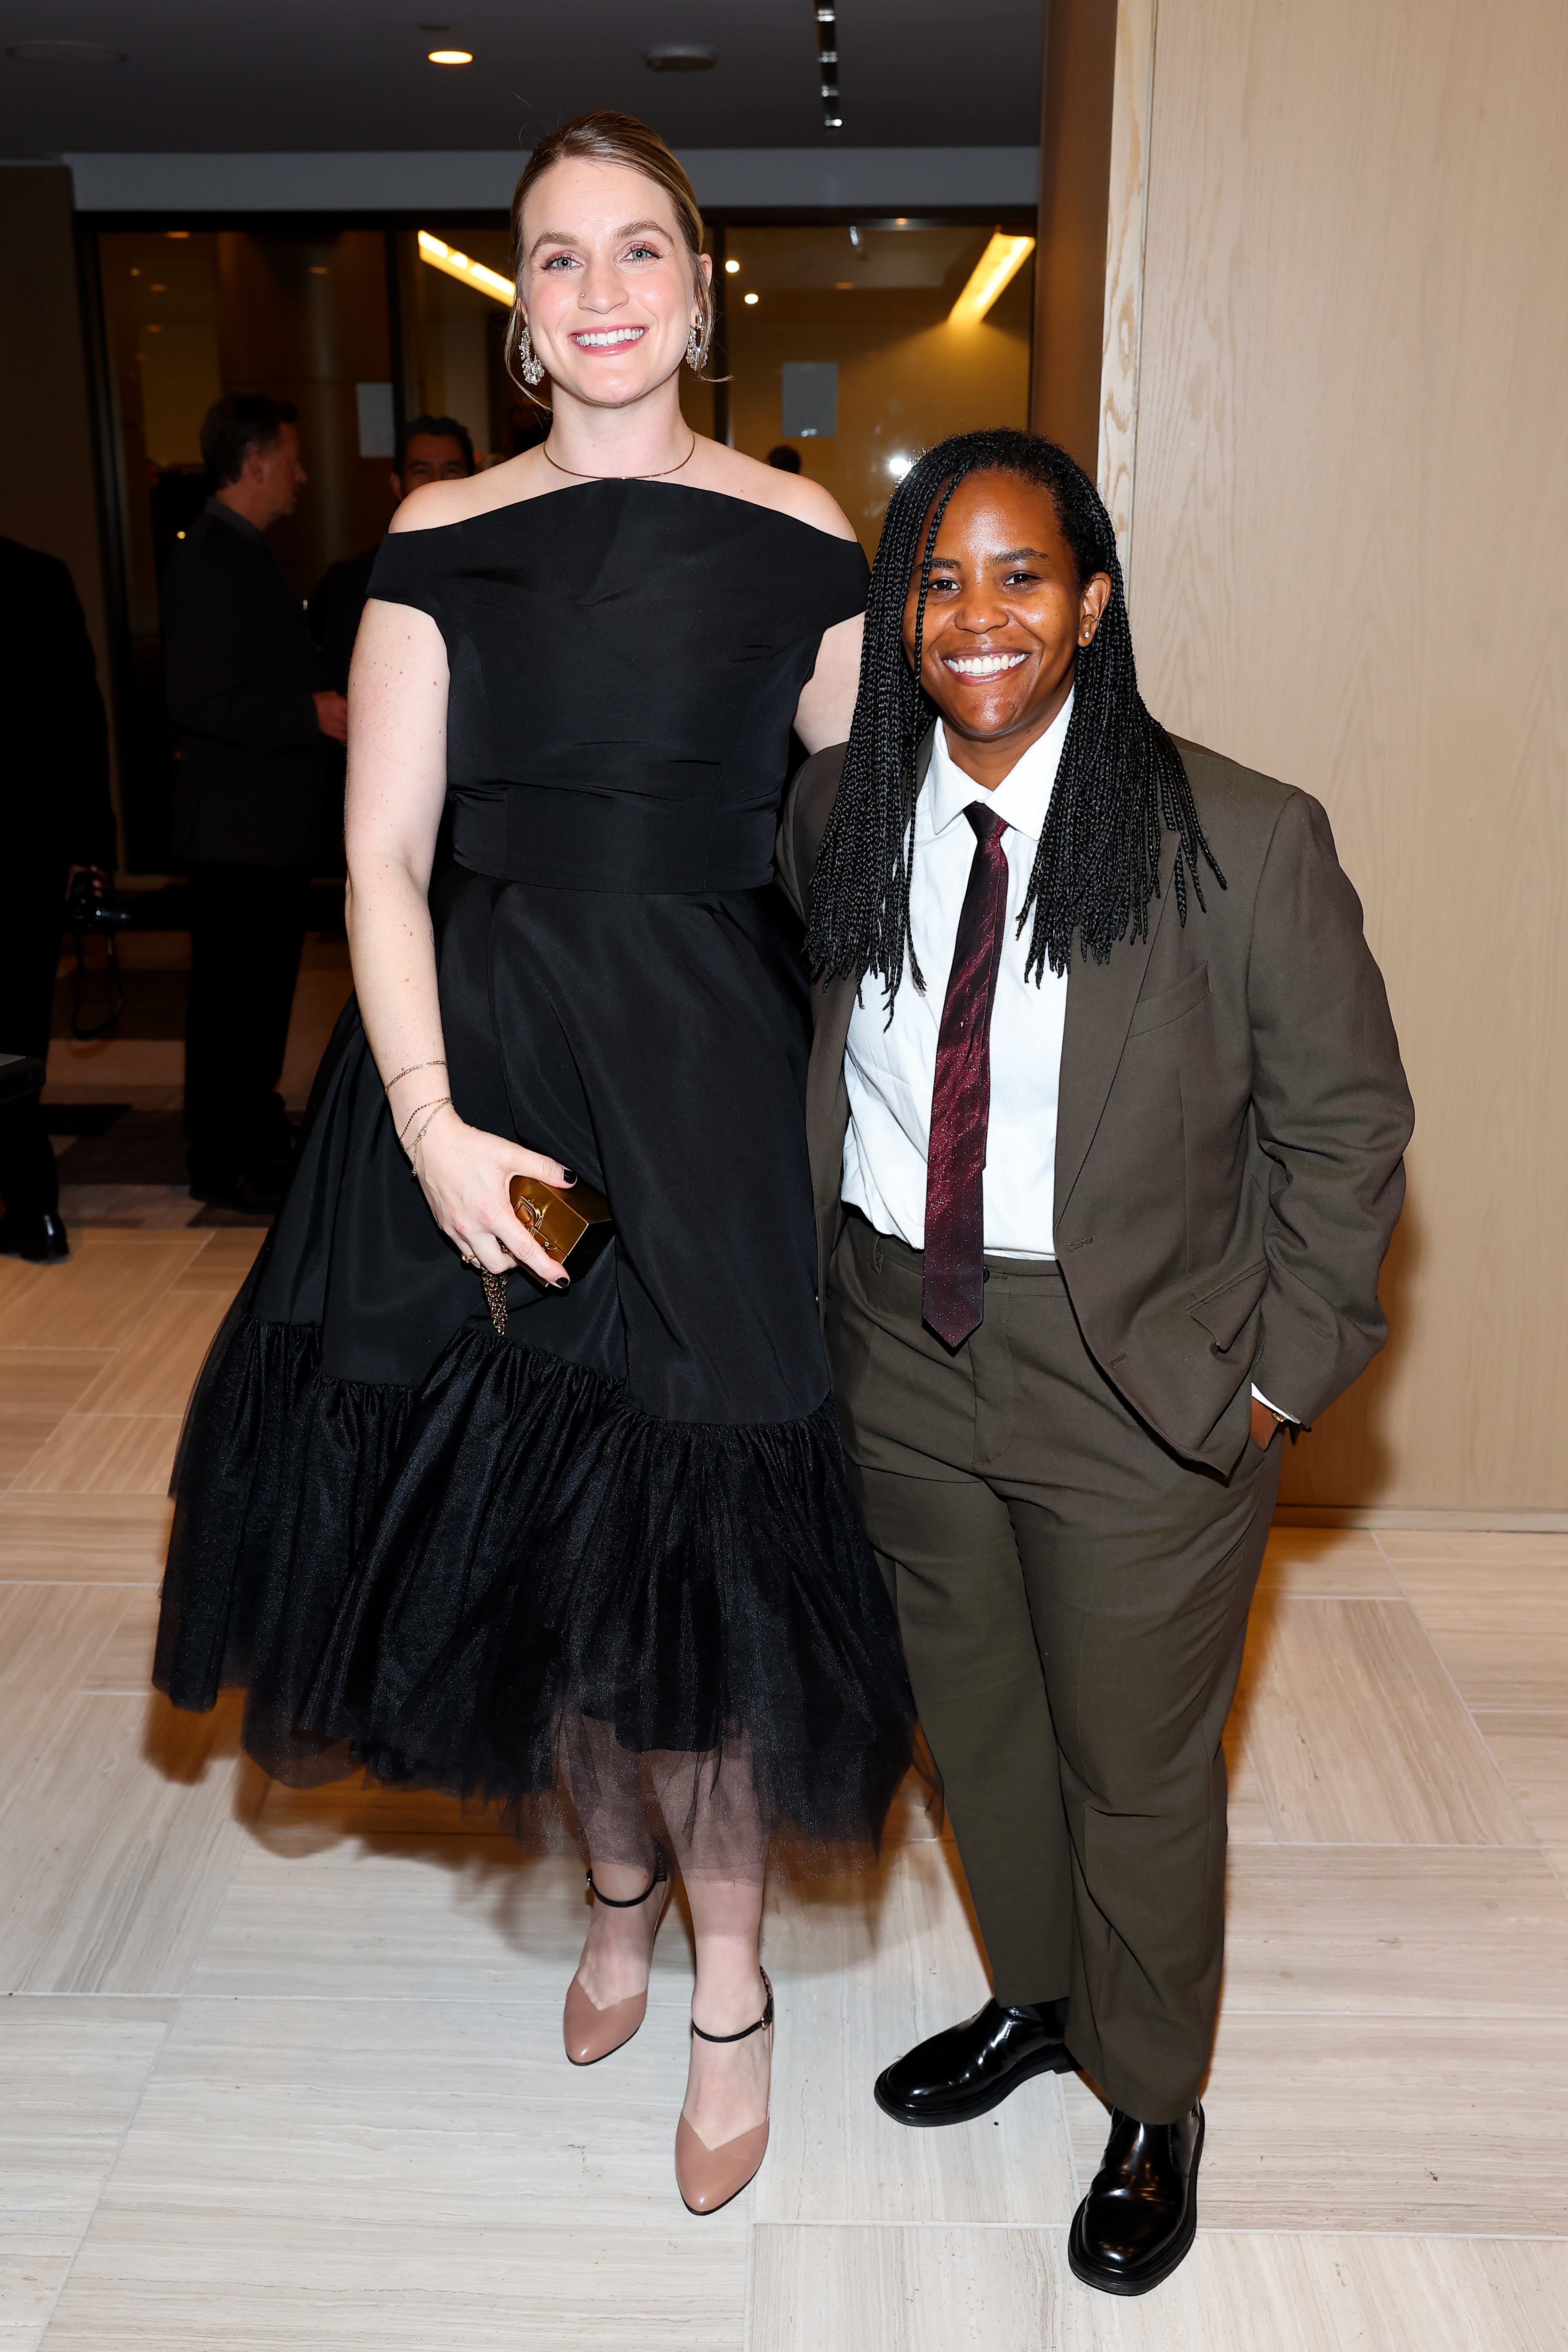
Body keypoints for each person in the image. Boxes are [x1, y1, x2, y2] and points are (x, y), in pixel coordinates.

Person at [154, 112, 914, 2218]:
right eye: (553, 259)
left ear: (699, 286)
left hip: (711, 1082)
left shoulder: (801, 534)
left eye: (638, 249)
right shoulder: (436, 545)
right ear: (521, 316)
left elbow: (863, 866)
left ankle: (732, 1971)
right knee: (554, 1526)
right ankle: (608, 1890)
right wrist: (421, 1121)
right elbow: (382, 856)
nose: (598, 290)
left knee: (724, 1515)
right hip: (481, 1078)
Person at [775, 428, 1412, 2296]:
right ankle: (1040, 1997)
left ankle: (1150, 2094)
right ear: (901, 613)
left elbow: (1347, 1123)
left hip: (1132, 1363)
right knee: (973, 1732)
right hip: (897, 1335)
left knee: (1133, 1762)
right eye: (937, 580)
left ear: (1090, 601)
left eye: (1019, 576)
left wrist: (1273, 1373)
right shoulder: (841, 814)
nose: (976, 614)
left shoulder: (1237, 833)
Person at [163, 395, 347, 1213]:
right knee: (235, 1006)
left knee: (257, 999)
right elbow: (197, 699)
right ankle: (225, 1157)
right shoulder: (213, 556)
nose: (302, 477)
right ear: (256, 462)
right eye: (293, 460)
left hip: (258, 831)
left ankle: (251, 1134)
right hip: (237, 832)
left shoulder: (239, 550)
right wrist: (311, 711)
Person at [0, 535, 116, 1261]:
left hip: (25, 853)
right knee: (12, 1029)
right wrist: (90, 849)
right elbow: (81, 726)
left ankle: (32, 1203)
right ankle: (34, 1205)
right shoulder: (36, 578)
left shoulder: (38, 578)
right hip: (24, 853)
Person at [310, 415, 478, 697]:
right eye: (421, 471)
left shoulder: (501, 575)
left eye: (451, 470)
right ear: (397, 484)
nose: (436, 483)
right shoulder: (357, 585)